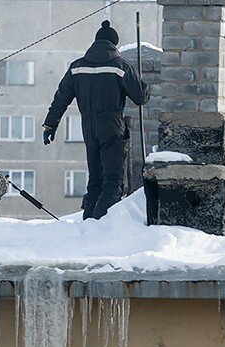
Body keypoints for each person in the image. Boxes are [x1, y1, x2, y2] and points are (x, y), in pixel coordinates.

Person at [42, 20, 149, 220]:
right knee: (113, 181)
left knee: (95, 180)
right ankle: (100, 225)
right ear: (114, 44)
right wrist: (142, 84)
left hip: (88, 127)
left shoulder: (77, 67)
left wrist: (50, 124)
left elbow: (61, 98)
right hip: (112, 126)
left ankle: (88, 222)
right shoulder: (120, 66)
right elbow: (141, 97)